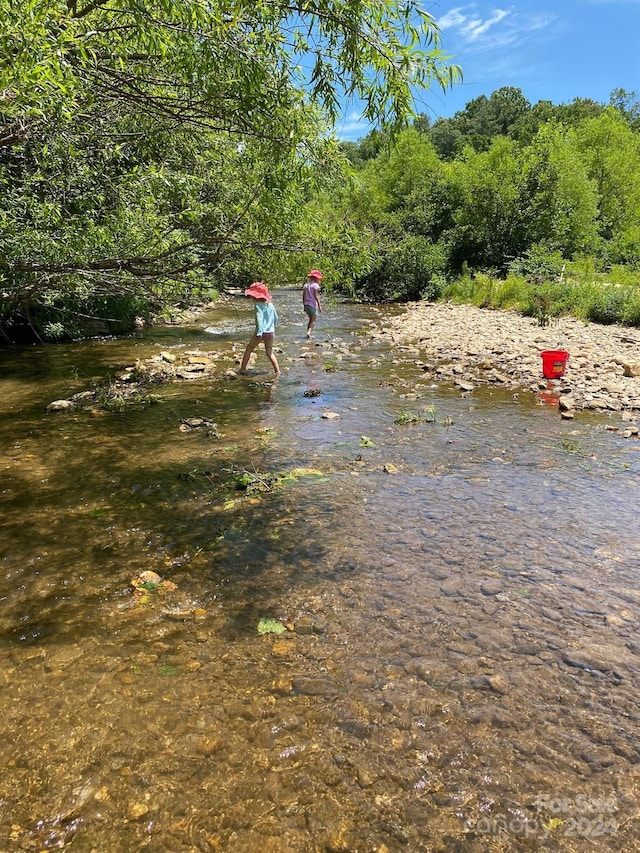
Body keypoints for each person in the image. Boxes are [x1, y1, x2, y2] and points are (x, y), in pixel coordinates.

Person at [239, 281, 280, 375]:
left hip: (260, 333)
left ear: (255, 296)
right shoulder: (271, 305)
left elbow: (259, 318)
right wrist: (271, 326)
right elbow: (276, 318)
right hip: (270, 332)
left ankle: (243, 369)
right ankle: (277, 371)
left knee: (249, 349)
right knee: (270, 353)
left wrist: (259, 331)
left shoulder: (258, 305)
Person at [302, 268, 323, 337]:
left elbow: (303, 296)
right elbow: (316, 296)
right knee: (313, 320)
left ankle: (308, 332)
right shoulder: (316, 286)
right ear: (316, 278)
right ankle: (309, 332)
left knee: (310, 319)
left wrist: (304, 305)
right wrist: (320, 306)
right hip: (312, 305)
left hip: (306, 304)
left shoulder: (306, 285)